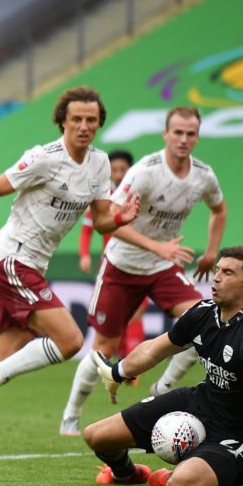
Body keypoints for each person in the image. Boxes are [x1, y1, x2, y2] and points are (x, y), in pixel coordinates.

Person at [0, 86, 140, 451]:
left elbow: (101, 220)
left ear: (100, 123)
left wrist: (119, 218)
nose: (84, 126)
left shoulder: (100, 164)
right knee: (70, 340)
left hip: (33, 263)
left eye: (91, 120)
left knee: (3, 359)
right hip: (12, 259)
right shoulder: (43, 158)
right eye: (76, 120)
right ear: (62, 122)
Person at [84, 246, 243, 486]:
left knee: (180, 484)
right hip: (202, 403)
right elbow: (154, 350)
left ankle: (178, 472)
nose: (216, 277)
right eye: (217, 270)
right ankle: (127, 474)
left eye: (227, 272)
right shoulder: (203, 313)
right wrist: (118, 372)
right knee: (96, 436)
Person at [60, 106, 227, 437]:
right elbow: (110, 223)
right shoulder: (145, 173)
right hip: (122, 264)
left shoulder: (203, 175)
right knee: (104, 346)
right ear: (165, 134)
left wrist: (210, 253)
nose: (183, 139)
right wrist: (158, 247)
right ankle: (71, 415)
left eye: (190, 133)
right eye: (177, 132)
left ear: (197, 136)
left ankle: (161, 391)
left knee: (204, 323)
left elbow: (219, 210)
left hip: (163, 267)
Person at [77, 149, 146, 361]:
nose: (117, 174)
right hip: (113, 263)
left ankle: (131, 361)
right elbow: (87, 229)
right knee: (116, 315)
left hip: (140, 262)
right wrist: (84, 255)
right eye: (113, 170)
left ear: (130, 170)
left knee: (135, 313)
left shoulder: (140, 197)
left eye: (122, 169)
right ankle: (122, 357)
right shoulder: (102, 199)